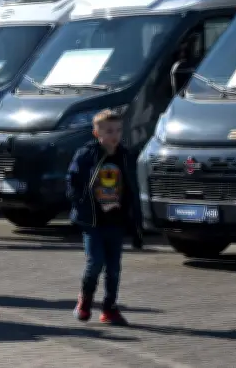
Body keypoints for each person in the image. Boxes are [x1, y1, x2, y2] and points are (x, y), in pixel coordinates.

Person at [67, 110, 143, 326]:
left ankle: (109, 308)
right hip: (93, 222)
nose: (114, 135)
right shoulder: (86, 155)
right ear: (96, 133)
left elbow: (132, 190)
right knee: (95, 263)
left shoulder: (125, 156)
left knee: (114, 268)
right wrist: (78, 201)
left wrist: (136, 226)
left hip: (115, 222)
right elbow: (73, 181)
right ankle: (85, 300)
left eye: (118, 130)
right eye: (109, 131)